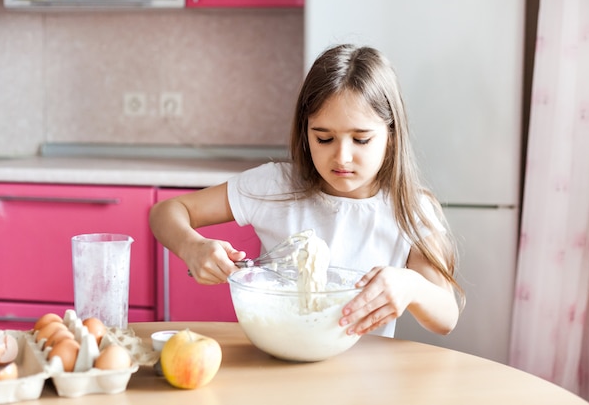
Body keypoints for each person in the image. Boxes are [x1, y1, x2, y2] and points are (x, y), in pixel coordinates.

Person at [149, 43, 464, 338]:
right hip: (276, 364)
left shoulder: (408, 208)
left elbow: (446, 317)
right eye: (324, 138)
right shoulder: (276, 187)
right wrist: (192, 247)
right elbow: (167, 211)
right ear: (305, 131)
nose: (341, 157)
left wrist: (410, 285)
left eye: (361, 139)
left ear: (391, 135)